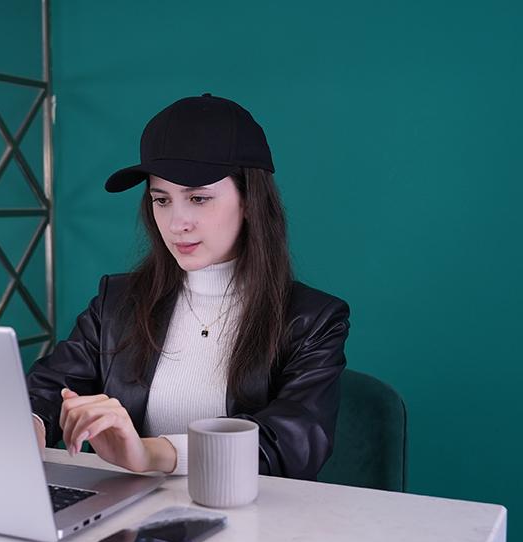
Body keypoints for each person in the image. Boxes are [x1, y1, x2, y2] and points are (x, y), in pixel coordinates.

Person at [26, 94, 349, 480]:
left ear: (250, 201)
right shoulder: (117, 302)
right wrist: (25, 427)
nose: (176, 223)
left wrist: (151, 454)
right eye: (161, 200)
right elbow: (46, 389)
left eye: (198, 198)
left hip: (254, 529)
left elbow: (291, 446)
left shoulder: (312, 320)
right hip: (127, 517)